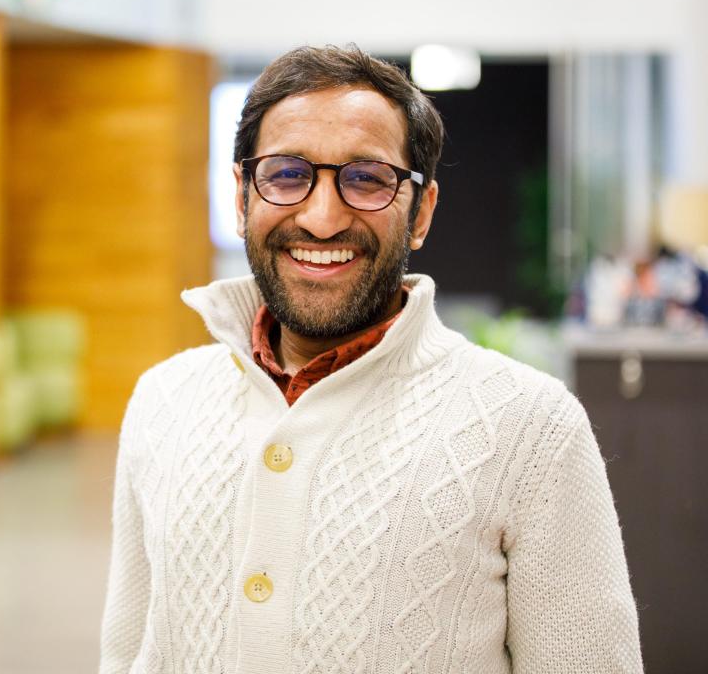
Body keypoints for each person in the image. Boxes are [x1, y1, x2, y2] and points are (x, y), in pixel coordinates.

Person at [100, 44, 643, 674]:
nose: (323, 218)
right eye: (285, 173)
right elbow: (129, 653)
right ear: (244, 196)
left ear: (421, 213)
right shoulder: (165, 400)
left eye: (367, 179)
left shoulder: (530, 427)